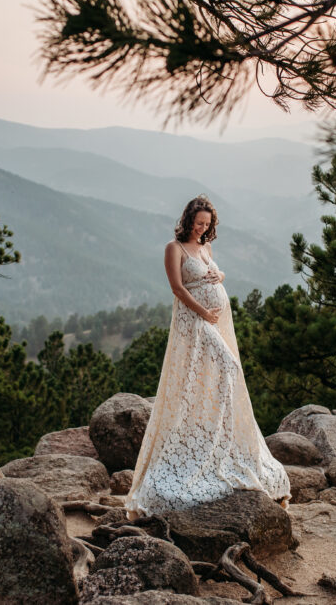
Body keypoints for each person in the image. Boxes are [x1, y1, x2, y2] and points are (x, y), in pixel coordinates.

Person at [125, 195, 291, 518]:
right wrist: (204, 312)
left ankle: (221, 445)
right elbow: (177, 287)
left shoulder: (205, 248)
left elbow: (211, 274)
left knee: (215, 378)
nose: (203, 228)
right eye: (199, 223)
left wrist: (221, 277)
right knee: (224, 369)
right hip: (194, 323)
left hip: (212, 320)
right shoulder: (174, 248)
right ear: (187, 220)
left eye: (207, 224)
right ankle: (206, 444)